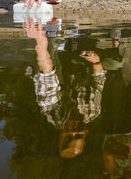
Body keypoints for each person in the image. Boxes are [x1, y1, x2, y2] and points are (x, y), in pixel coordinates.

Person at [23, 18, 106, 159]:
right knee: (91, 40)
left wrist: (41, 42)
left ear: (60, 137)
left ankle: (50, 27)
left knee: (48, 43)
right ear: (86, 133)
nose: (74, 132)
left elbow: (47, 72)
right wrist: (96, 62)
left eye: (69, 137)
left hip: (53, 65)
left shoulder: (51, 111)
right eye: (79, 136)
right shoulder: (93, 112)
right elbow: (98, 83)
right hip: (76, 67)